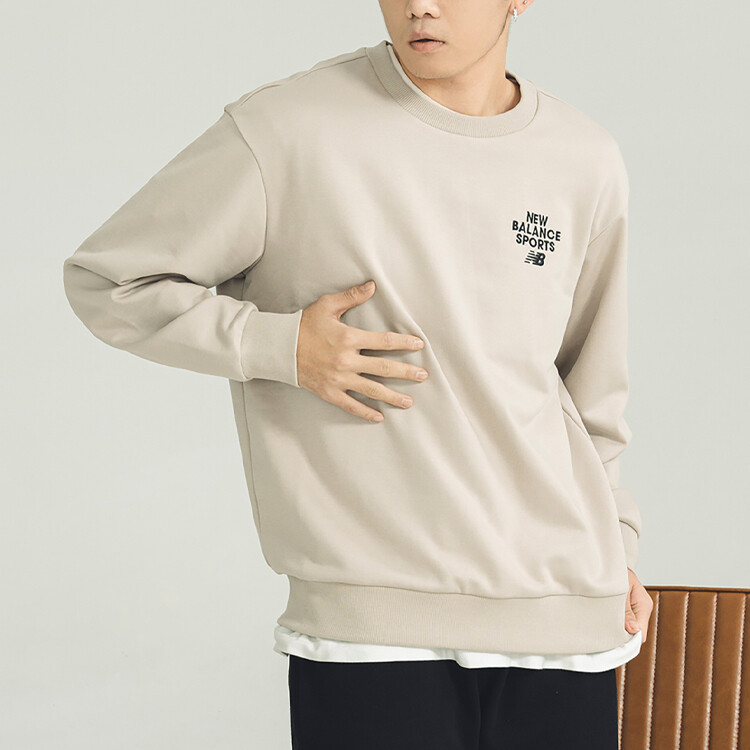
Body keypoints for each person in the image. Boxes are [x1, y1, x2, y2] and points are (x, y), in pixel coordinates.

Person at [62, 0, 654, 747]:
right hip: (372, 631)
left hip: (567, 621)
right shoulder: (288, 129)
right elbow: (109, 280)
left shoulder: (582, 157)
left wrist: (617, 548)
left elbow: (591, 387)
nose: (420, 5)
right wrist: (279, 346)